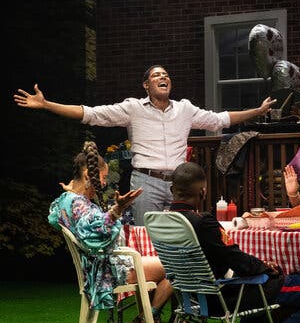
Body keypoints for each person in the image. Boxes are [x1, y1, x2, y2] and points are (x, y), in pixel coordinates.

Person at [15, 65, 276, 225]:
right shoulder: (132, 108)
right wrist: (48, 105)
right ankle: (144, 313)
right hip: (145, 182)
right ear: (146, 85)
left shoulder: (185, 109)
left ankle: (180, 311)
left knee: (181, 239)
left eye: (166, 75)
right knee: (145, 239)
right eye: (156, 75)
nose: (163, 77)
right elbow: (90, 113)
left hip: (179, 185)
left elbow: (221, 119)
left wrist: (257, 110)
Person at [48, 141, 173, 323]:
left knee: (159, 266)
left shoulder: (68, 199)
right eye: (103, 178)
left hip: (104, 265)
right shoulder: (78, 203)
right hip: (108, 271)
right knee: (175, 267)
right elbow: (95, 232)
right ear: (89, 175)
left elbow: (63, 217)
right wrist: (118, 209)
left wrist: (73, 188)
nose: (104, 184)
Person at [168, 162, 286, 323]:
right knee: (273, 279)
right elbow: (235, 259)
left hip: (187, 298)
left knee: (253, 279)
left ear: (172, 190)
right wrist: (266, 267)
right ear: (203, 193)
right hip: (216, 300)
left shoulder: (162, 221)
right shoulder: (204, 222)